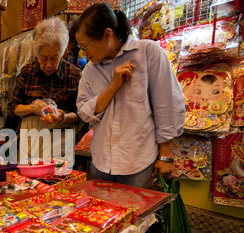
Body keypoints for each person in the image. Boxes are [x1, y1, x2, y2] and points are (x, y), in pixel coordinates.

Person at [71, 3, 186, 188]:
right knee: (101, 213)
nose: (84, 53)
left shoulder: (149, 53)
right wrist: (113, 86)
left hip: (138, 162)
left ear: (107, 35)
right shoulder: (90, 70)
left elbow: (167, 106)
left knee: (139, 216)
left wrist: (166, 156)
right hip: (101, 161)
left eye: (86, 46)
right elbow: (84, 113)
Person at [11, 17, 82, 165]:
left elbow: (81, 114)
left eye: (54, 58)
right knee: (28, 184)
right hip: (31, 139)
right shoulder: (27, 72)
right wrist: (31, 107)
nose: (49, 64)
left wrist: (63, 117)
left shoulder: (74, 75)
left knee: (58, 183)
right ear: (37, 53)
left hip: (60, 140)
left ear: (62, 53)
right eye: (43, 58)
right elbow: (14, 109)